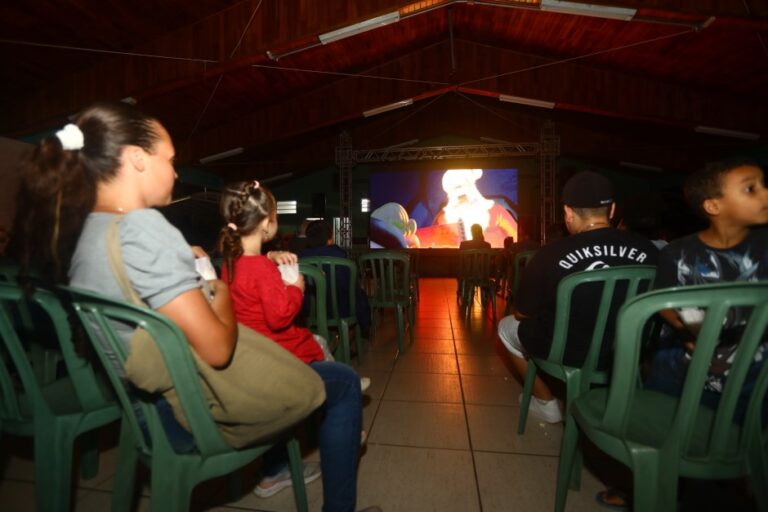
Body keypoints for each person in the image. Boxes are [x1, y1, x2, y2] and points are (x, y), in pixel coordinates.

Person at [217, 182, 376, 511]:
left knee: (316, 342)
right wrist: (295, 288)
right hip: (277, 356)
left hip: (250, 355)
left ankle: (274, 469)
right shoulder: (260, 267)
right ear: (267, 223)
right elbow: (279, 317)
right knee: (319, 349)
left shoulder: (230, 263)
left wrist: (270, 256)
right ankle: (344, 398)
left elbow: (250, 290)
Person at [496, 171, 659, 423]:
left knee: (506, 327)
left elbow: (522, 313)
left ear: (568, 213)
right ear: (612, 209)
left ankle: (546, 403)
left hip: (568, 351)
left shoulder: (549, 255)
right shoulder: (650, 250)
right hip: (629, 350)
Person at [645, 158, 768, 417]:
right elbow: (660, 301)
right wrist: (683, 327)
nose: (764, 193)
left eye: (763, 184)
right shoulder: (676, 253)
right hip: (679, 372)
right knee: (662, 428)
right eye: (750, 188)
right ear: (713, 205)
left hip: (753, 379)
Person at [299, 219, 372, 335]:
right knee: (358, 292)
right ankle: (365, 330)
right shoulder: (340, 256)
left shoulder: (301, 258)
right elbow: (351, 287)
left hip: (311, 312)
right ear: (329, 239)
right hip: (340, 311)